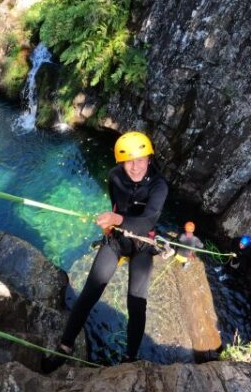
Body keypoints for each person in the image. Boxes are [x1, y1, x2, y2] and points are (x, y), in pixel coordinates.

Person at [43, 131, 168, 371]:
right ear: (120, 162)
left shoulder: (159, 186)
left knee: (136, 301)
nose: (135, 167)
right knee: (90, 291)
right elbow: (115, 203)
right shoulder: (114, 176)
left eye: (140, 160)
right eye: (129, 161)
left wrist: (116, 218)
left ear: (149, 159)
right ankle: (65, 347)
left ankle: (130, 357)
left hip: (142, 243)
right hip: (116, 239)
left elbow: (148, 221)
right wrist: (112, 222)